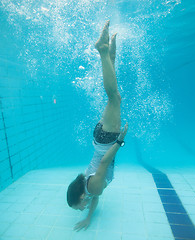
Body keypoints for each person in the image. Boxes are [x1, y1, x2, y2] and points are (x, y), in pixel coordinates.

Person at [67, 20, 128, 231]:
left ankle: (102, 51)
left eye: (78, 207)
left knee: (113, 97)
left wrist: (120, 142)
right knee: (115, 98)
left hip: (107, 141)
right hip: (100, 139)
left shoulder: (93, 187)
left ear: (80, 195)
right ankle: (110, 54)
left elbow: (103, 165)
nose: (79, 208)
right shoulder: (90, 190)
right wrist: (88, 218)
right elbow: (94, 199)